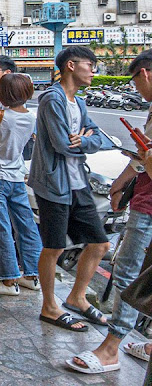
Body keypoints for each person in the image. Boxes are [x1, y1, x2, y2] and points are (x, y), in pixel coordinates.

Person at [68, 49, 152, 374]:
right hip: (141, 195)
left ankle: (111, 348)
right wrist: (121, 183)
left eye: (134, 80)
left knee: (128, 274)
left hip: (147, 205)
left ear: (143, 74)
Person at [29, 46, 112, 333]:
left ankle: (77, 297)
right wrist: (84, 138)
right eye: (90, 65)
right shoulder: (53, 99)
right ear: (71, 66)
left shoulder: (78, 102)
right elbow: (63, 144)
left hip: (79, 183)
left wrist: (87, 139)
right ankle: (50, 306)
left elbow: (99, 136)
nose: (93, 71)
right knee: (54, 247)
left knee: (100, 244)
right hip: (54, 183)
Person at [0, 73, 42, 296]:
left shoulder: (0, 116)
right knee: (26, 226)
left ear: (4, 94)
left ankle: (7, 279)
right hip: (17, 177)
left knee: (0, 228)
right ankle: (32, 275)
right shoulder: (31, 117)